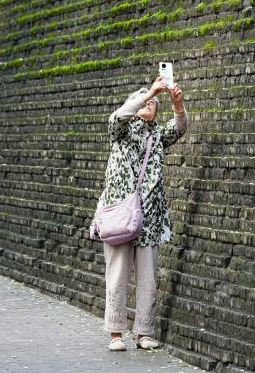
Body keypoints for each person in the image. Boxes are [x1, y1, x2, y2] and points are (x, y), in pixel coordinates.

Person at [100, 76, 187, 352]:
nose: (148, 103)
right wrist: (148, 92)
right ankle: (116, 333)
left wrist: (177, 104)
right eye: (143, 101)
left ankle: (144, 332)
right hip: (120, 215)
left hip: (150, 218)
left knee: (148, 279)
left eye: (152, 103)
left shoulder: (157, 135)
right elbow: (118, 116)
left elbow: (180, 127)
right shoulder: (120, 131)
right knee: (117, 275)